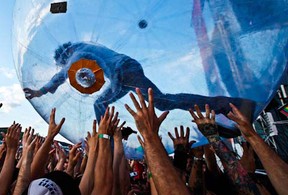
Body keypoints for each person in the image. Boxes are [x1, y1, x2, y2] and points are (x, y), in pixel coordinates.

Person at [23, 41, 256, 125]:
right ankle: (108, 137)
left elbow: (66, 73)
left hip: (125, 72)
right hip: (121, 75)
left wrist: (40, 91)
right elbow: (87, 72)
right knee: (100, 104)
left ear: (64, 55)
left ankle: (231, 105)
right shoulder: (86, 47)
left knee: (162, 102)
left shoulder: (76, 53)